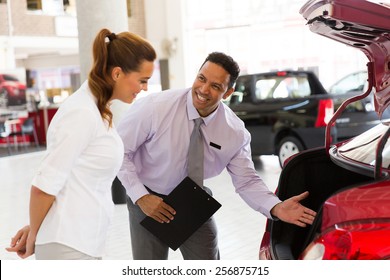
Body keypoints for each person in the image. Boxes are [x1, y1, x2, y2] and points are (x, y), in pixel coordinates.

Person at [116, 51, 317, 260]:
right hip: (147, 196)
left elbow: (246, 181)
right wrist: (141, 196)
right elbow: (119, 151)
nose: (203, 90)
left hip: (193, 200)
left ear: (228, 92)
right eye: (201, 79)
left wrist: (275, 207)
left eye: (215, 86)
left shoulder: (234, 132)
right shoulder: (155, 108)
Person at [5, 28, 156, 260]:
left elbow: (76, 179)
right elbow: (44, 185)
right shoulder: (81, 113)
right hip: (69, 245)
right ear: (117, 74)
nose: (144, 88)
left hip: (83, 242)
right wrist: (36, 233)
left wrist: (40, 229)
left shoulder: (98, 110)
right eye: (142, 80)